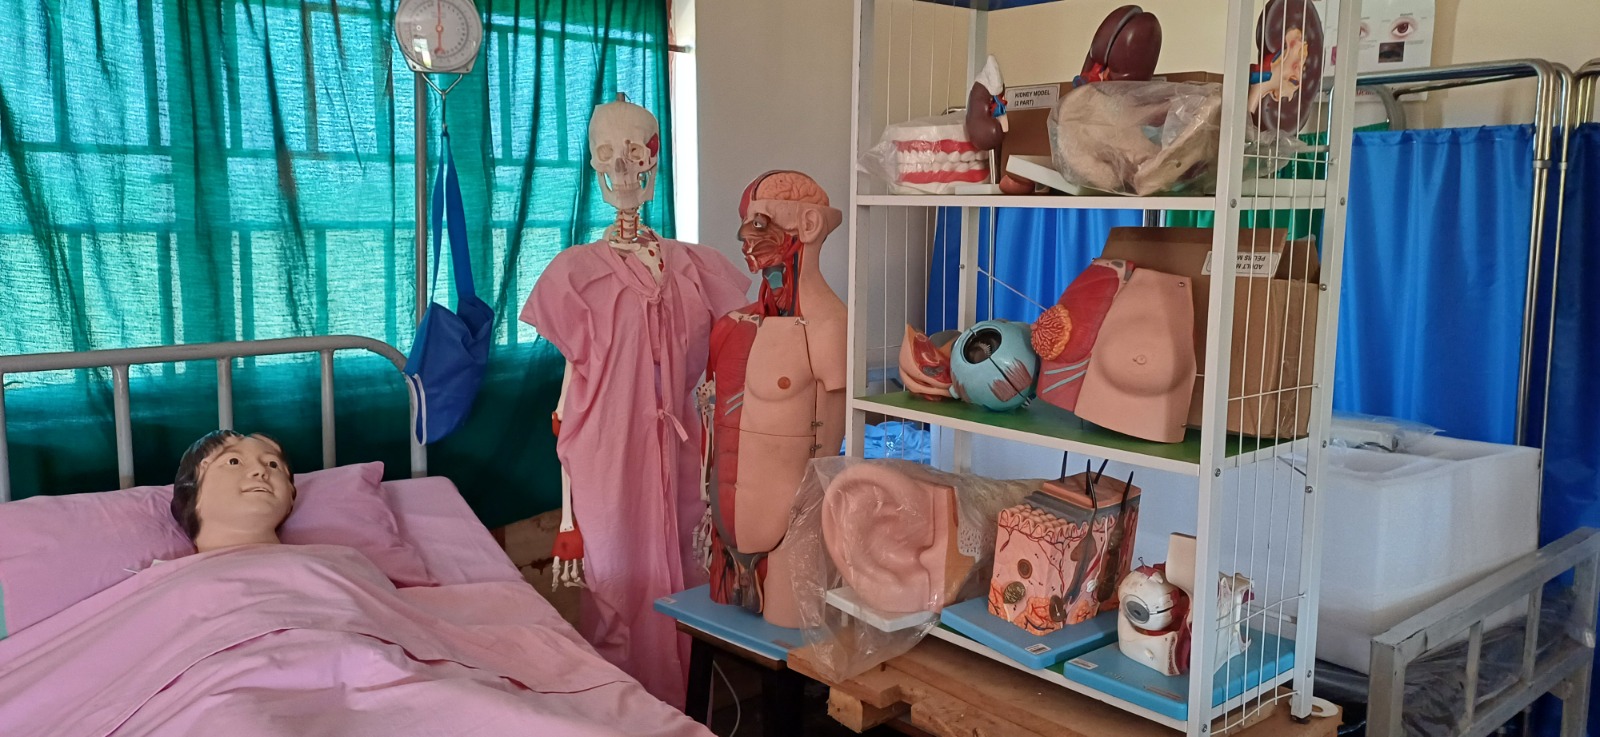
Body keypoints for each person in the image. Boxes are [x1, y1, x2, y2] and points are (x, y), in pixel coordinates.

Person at [169, 430, 297, 553]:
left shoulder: (309, 557)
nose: (260, 470)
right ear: (194, 487)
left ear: (291, 496)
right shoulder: (170, 569)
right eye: (234, 461)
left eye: (273, 464)